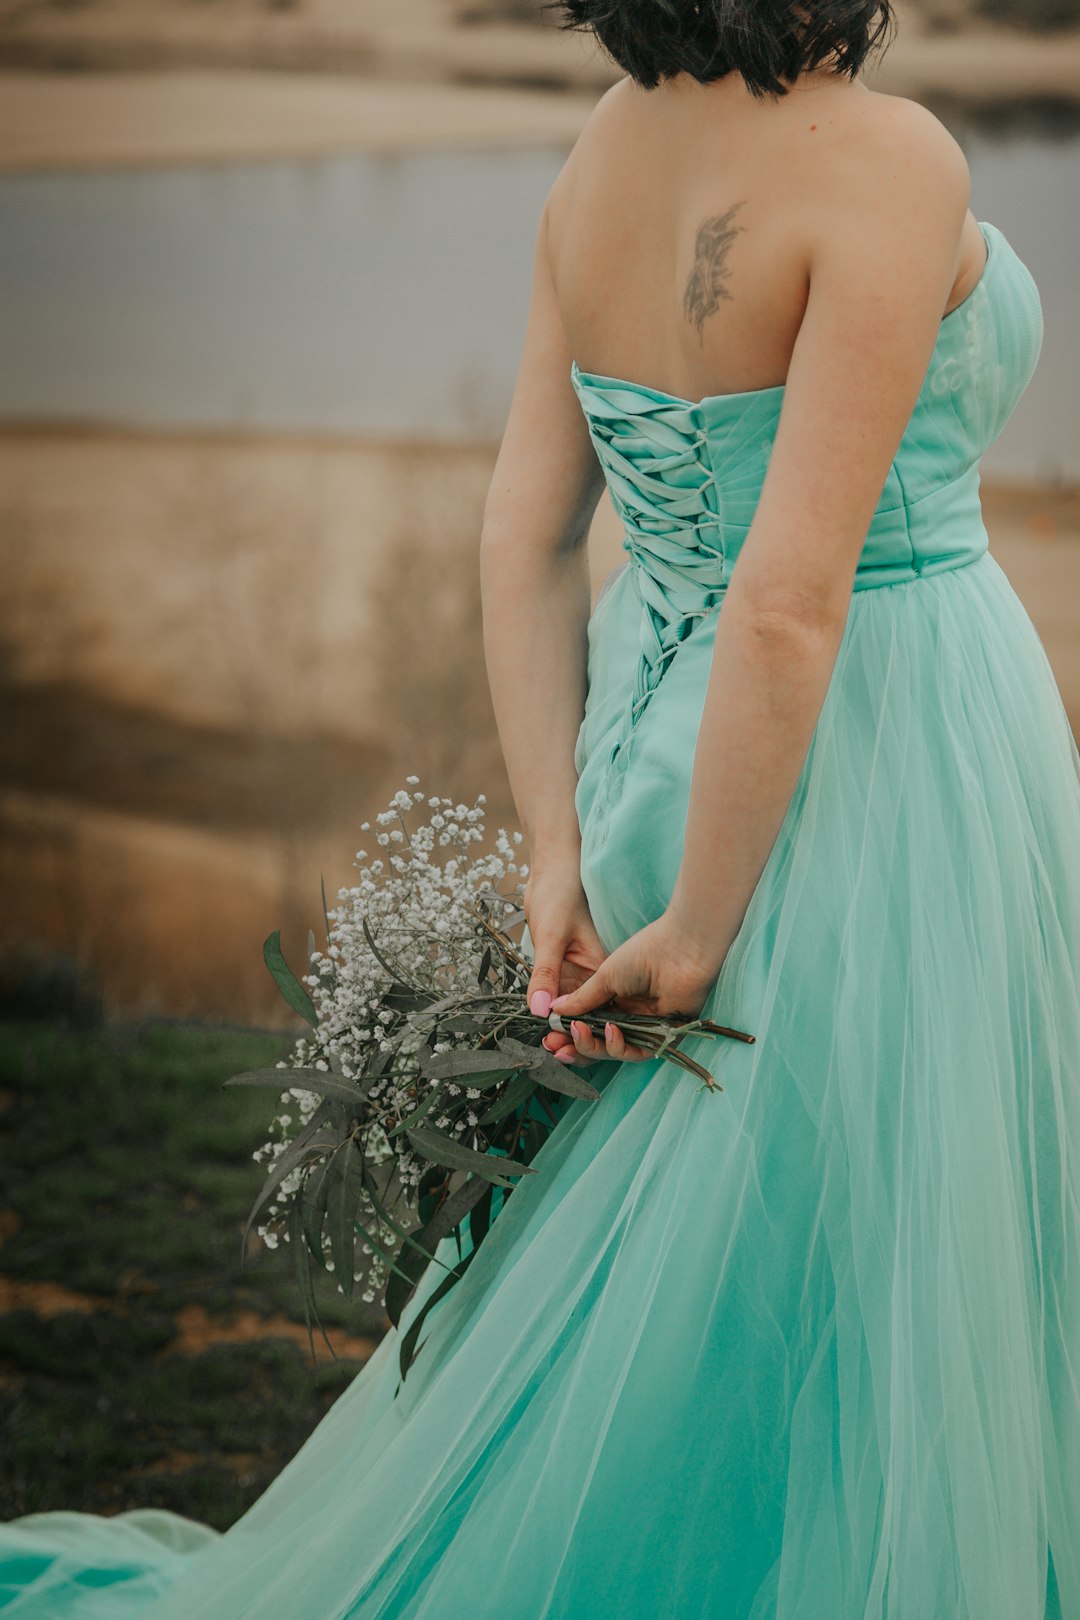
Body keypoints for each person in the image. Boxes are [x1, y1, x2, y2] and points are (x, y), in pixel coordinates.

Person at [2, 2, 1078, 1617]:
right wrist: (703, 924)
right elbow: (792, 603)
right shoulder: (889, 160)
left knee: (692, 1238)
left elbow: (522, 532)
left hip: (650, 748)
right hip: (869, 757)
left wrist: (558, 859)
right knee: (871, 1238)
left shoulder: (603, 147)